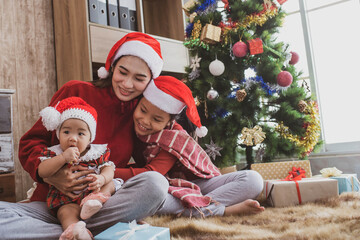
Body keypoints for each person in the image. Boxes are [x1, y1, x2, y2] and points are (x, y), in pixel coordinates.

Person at [0, 32, 170, 240]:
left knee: (156, 184)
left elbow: (149, 169)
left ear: (150, 82)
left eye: (139, 78)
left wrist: (105, 178)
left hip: (98, 207)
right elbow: (30, 143)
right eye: (122, 72)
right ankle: (91, 232)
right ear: (112, 68)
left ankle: (75, 231)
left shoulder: (140, 114)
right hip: (49, 205)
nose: (127, 84)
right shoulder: (76, 91)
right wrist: (52, 175)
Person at [133, 76, 265, 218]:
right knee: (140, 197)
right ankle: (221, 210)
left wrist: (110, 172)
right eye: (143, 111)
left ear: (168, 122)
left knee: (253, 180)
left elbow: (153, 171)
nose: (145, 121)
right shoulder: (132, 128)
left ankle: (200, 209)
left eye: (157, 119)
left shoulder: (174, 137)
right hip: (165, 189)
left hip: (197, 184)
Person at [38, 96, 123, 239]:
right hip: (68, 199)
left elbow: (109, 169)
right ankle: (76, 231)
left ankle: (94, 202)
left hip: (95, 193)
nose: (73, 138)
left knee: (111, 183)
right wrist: (63, 158)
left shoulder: (96, 153)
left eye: (80, 133)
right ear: (58, 134)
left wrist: (102, 179)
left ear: (90, 137)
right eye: (66, 132)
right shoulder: (55, 152)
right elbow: (42, 171)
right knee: (65, 213)